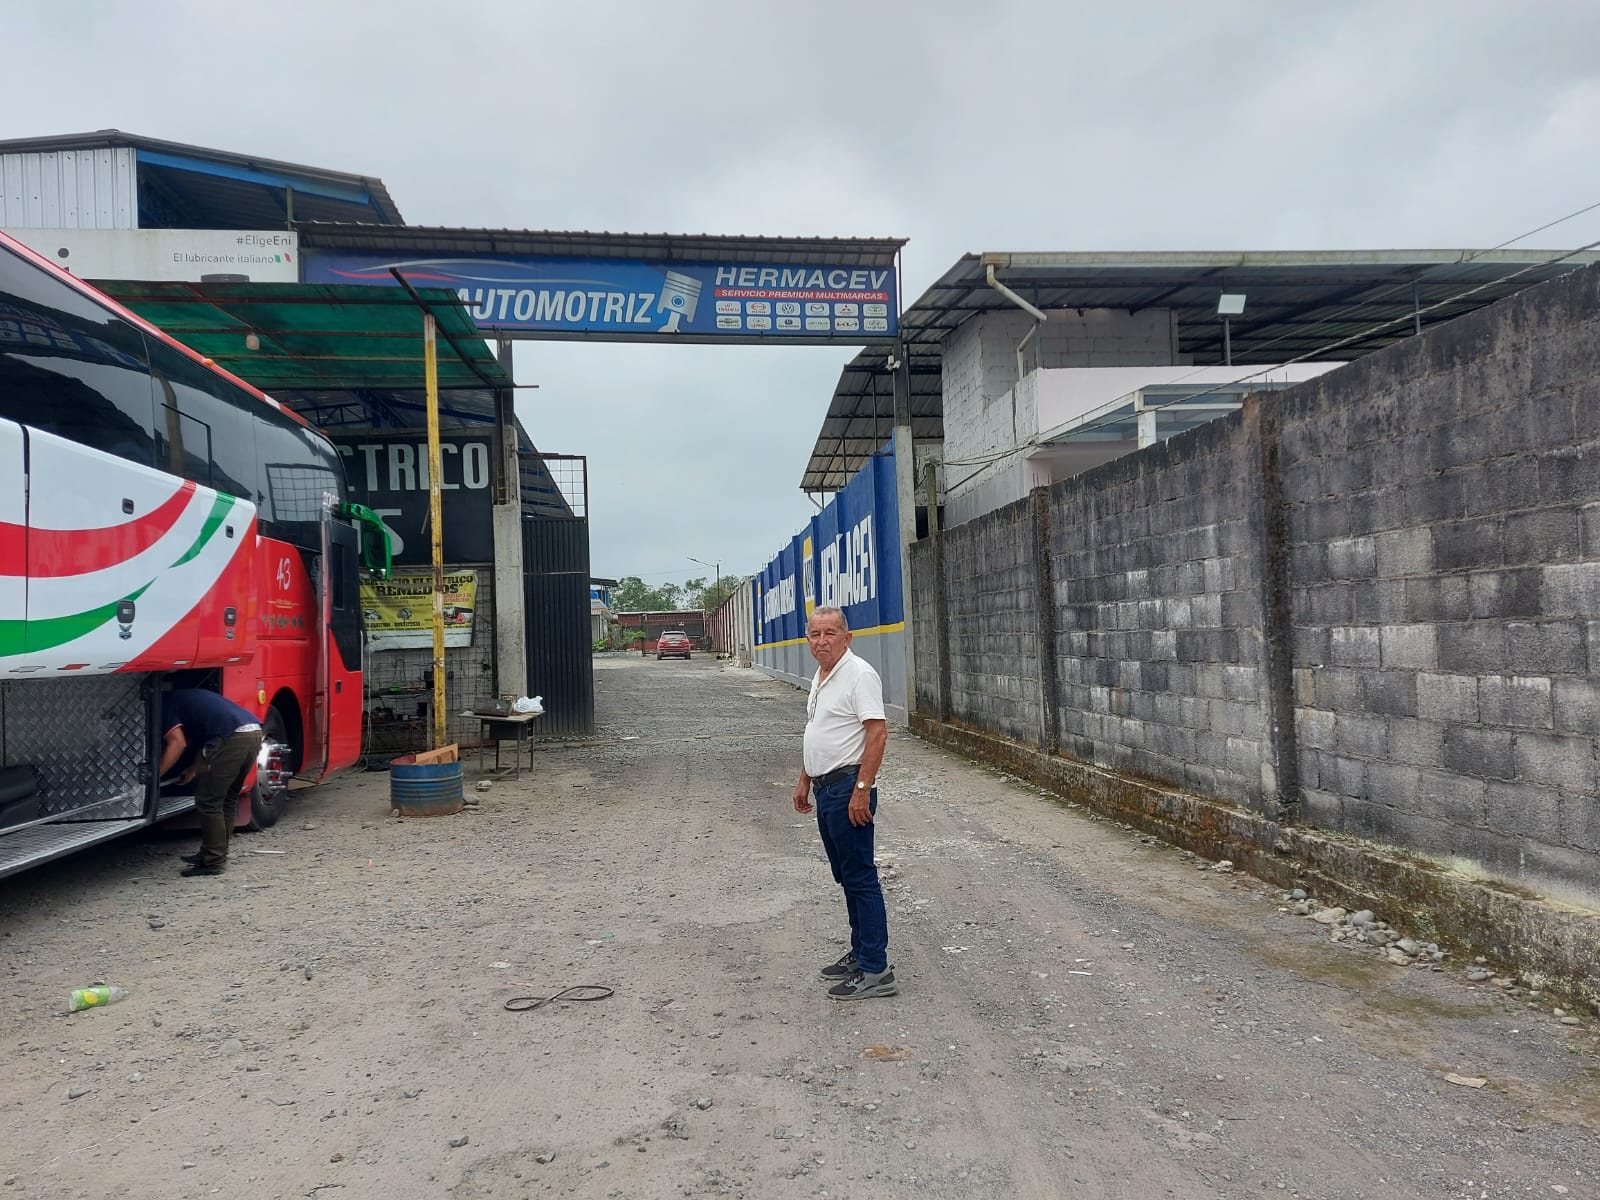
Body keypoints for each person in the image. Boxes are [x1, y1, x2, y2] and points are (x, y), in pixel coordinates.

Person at [792, 606, 896, 1000]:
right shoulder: (822, 676)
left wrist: (862, 789)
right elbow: (818, 730)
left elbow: (877, 734)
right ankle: (861, 952)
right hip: (826, 789)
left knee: (861, 878)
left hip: (848, 789)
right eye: (815, 634)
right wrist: (805, 779)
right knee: (847, 876)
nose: (822, 641)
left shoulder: (858, 674)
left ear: (847, 638)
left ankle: (876, 971)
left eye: (830, 633)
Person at [158, 688, 264, 877]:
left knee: (209, 802)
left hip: (231, 738)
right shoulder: (186, 698)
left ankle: (213, 861)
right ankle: (214, 852)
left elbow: (178, 743)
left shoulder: (164, 705)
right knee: (228, 799)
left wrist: (155, 776)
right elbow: (204, 738)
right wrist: (193, 769)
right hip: (253, 731)